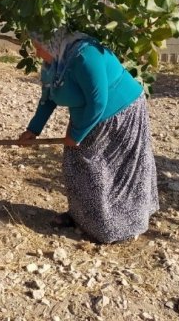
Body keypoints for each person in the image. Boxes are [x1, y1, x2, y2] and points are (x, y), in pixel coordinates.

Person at [18, 27, 158, 243]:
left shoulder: (85, 55)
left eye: (38, 48)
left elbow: (98, 101)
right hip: (87, 113)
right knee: (75, 164)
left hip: (120, 113)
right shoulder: (53, 64)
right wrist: (33, 130)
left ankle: (115, 227)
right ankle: (82, 216)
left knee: (103, 168)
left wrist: (76, 134)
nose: (37, 54)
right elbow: (48, 99)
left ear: (51, 43)